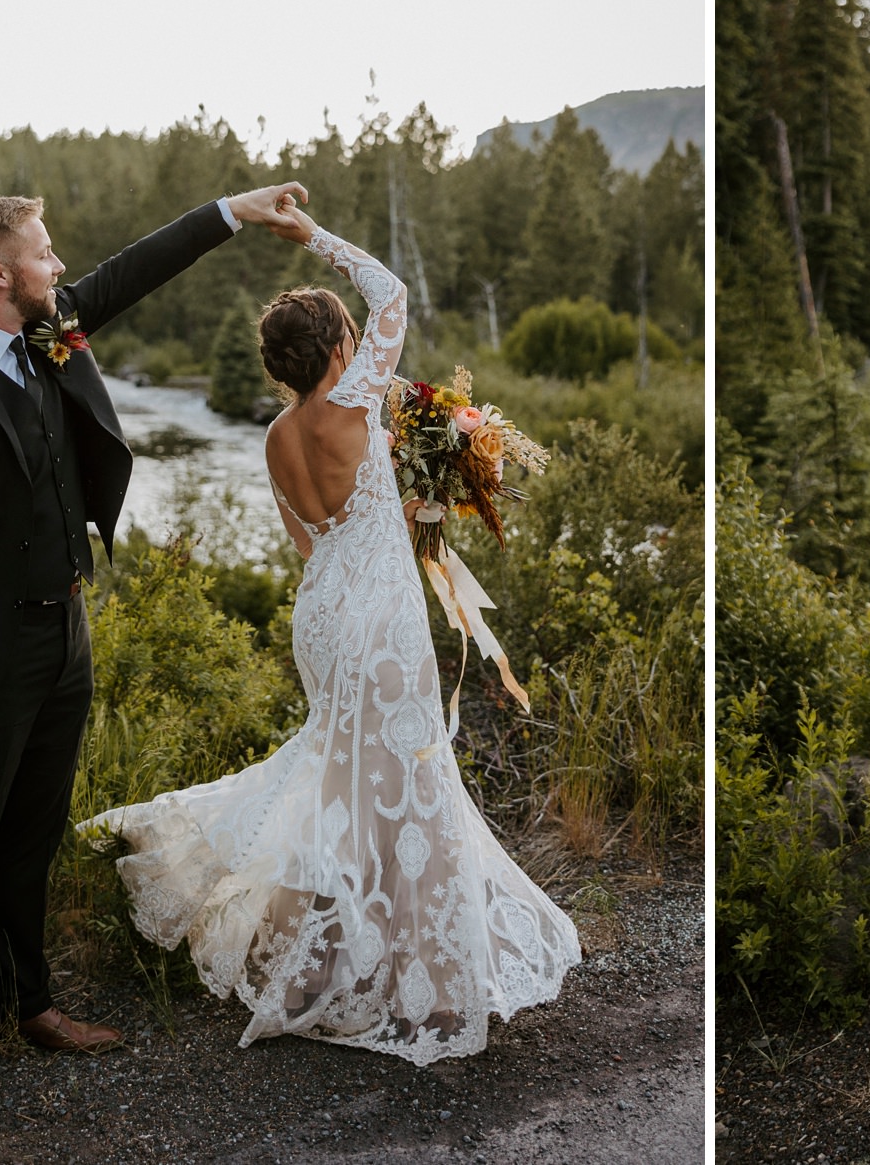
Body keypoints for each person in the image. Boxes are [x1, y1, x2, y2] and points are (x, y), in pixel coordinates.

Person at [79, 202, 580, 1061]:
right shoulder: (353, 400)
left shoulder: (277, 435)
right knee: (409, 792)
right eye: (349, 334)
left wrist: (406, 509)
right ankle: (419, 978)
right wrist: (312, 239)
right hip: (380, 618)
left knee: (346, 784)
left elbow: (313, 540)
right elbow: (394, 289)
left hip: (324, 614)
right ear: (338, 348)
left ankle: (323, 961)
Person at [0, 184, 312, 1129]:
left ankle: (23, 1003)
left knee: (31, 832)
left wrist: (235, 209)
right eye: (45, 253)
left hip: (63, 633)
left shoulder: (48, 330)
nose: (60, 267)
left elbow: (136, 267)